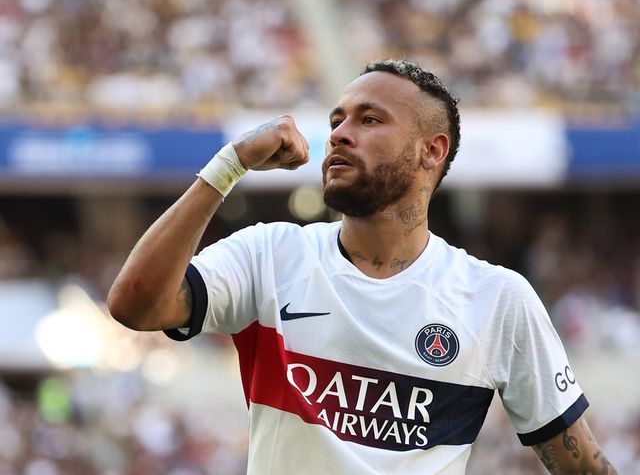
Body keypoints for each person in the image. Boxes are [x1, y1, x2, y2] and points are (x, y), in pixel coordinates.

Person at [108, 59, 617, 474]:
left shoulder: (496, 298)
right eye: (337, 121)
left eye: (369, 120)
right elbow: (136, 305)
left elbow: (582, 467)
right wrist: (229, 164)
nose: (339, 135)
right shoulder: (270, 255)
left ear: (432, 150)